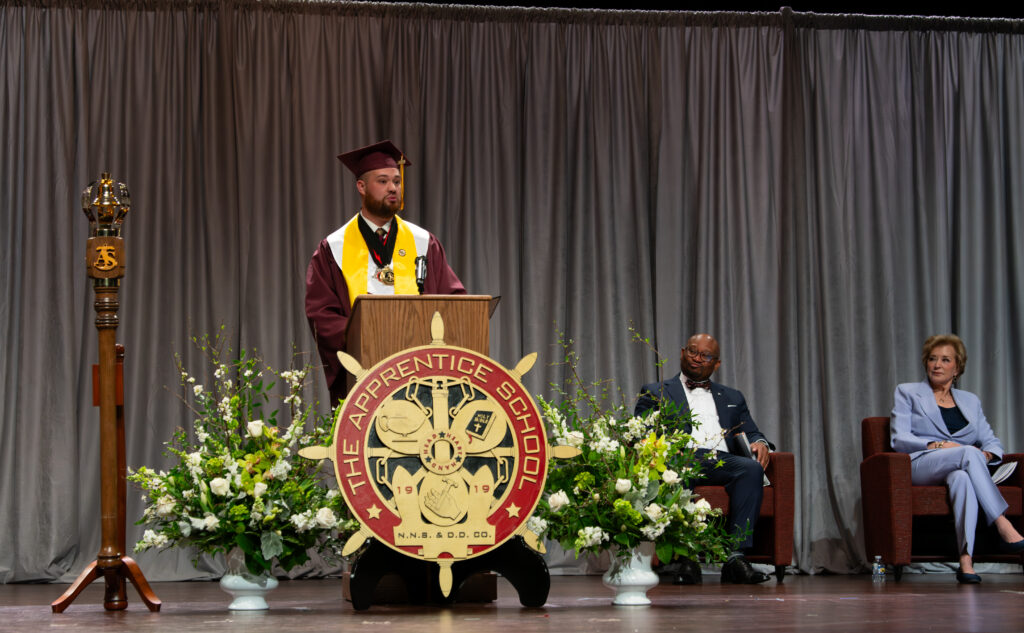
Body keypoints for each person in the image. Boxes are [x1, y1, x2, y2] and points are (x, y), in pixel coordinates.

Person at [305, 140, 465, 405]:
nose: (393, 187)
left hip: (421, 374)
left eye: (396, 181)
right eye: (382, 181)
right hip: (364, 379)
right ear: (361, 186)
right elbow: (321, 316)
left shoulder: (424, 242)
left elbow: (454, 304)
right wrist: (373, 336)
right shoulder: (334, 248)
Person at [634, 333, 774, 584]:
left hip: (722, 460)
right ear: (682, 353)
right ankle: (685, 559)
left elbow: (752, 430)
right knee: (678, 465)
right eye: (692, 351)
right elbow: (640, 431)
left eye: (705, 355)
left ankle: (736, 557)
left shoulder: (733, 397)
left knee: (751, 469)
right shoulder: (656, 391)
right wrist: (661, 447)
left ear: (716, 364)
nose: (697, 358)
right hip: (681, 456)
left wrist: (760, 443)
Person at [890, 334, 1024, 583]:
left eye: (945, 360)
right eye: (932, 359)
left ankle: (965, 560)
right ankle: (1001, 521)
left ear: (957, 368)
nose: (937, 365)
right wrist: (938, 444)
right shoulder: (907, 392)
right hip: (920, 463)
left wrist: (987, 453)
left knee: (963, 478)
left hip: (959, 464)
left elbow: (991, 440)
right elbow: (899, 439)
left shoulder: (970, 401)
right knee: (968, 452)